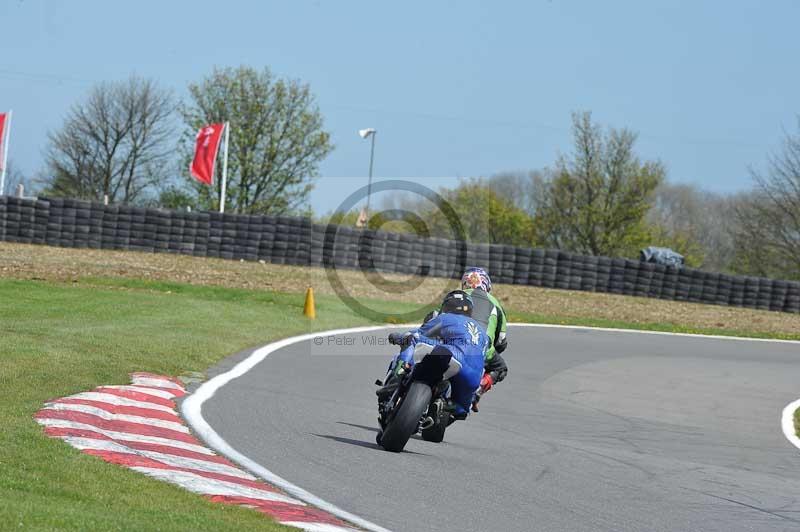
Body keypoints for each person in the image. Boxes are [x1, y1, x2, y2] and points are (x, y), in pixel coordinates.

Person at [379, 290, 489, 421]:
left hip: (452, 355)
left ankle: (396, 377)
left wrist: (397, 337)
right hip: (473, 377)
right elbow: (488, 358)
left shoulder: (445, 318)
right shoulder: (484, 334)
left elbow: (419, 334)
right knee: (460, 410)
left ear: (446, 306)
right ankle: (444, 405)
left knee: (412, 339)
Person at [424, 267, 509, 412]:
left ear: (465, 283)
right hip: (478, 345)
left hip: (448, 340)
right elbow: (501, 340)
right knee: (500, 368)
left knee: (422, 342)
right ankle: (478, 391)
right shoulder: (496, 304)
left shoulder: (456, 295)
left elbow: (434, 317)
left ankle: (403, 371)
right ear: (486, 285)